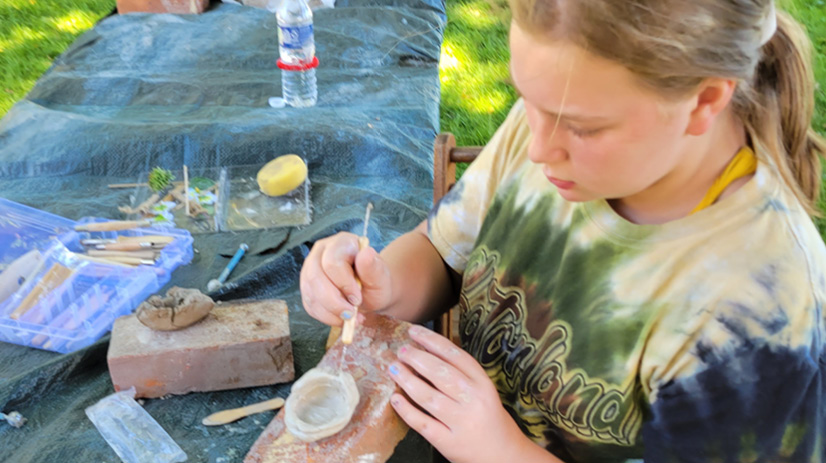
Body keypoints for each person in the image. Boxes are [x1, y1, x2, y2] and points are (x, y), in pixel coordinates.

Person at [300, 0, 826, 461]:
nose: (537, 149)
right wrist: (383, 283)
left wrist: (499, 450)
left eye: (583, 127)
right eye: (527, 98)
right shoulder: (560, 115)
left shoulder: (761, 320)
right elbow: (442, 254)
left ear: (705, 101)